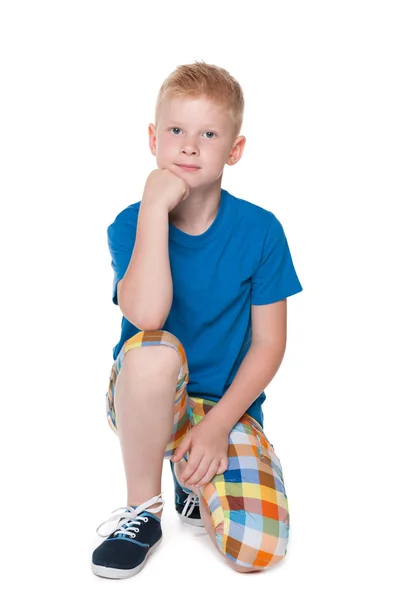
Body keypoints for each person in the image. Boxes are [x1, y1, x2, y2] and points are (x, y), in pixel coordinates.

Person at [92, 60, 303, 579]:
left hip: (227, 411)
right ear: (153, 138)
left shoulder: (262, 231)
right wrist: (154, 207)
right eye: (176, 131)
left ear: (234, 150)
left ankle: (197, 485)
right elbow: (148, 315)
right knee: (152, 351)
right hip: (149, 403)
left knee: (258, 550)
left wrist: (215, 428)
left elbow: (269, 346)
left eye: (208, 133)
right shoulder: (131, 223)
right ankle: (144, 508)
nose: (189, 145)